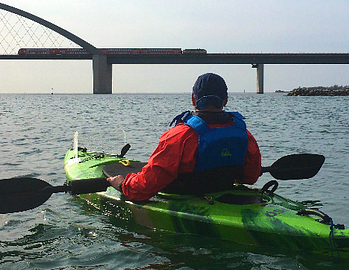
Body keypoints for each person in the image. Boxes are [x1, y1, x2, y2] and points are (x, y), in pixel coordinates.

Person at [106, 73, 262, 202]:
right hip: (223, 194)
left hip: (183, 198)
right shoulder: (244, 134)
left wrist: (121, 184)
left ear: (193, 99)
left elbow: (143, 189)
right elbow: (250, 177)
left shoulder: (180, 136)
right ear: (225, 100)